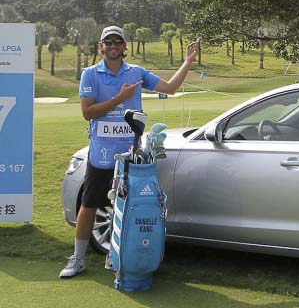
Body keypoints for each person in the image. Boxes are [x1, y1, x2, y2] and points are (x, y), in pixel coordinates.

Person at [59, 25, 200, 278]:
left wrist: (188, 60)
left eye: (118, 42)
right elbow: (87, 112)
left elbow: (170, 88)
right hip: (101, 155)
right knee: (89, 204)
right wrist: (120, 98)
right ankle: (78, 258)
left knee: (128, 205)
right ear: (101, 46)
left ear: (125, 46)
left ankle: (119, 256)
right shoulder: (90, 74)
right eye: (108, 42)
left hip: (131, 155)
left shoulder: (136, 72)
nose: (113, 46)